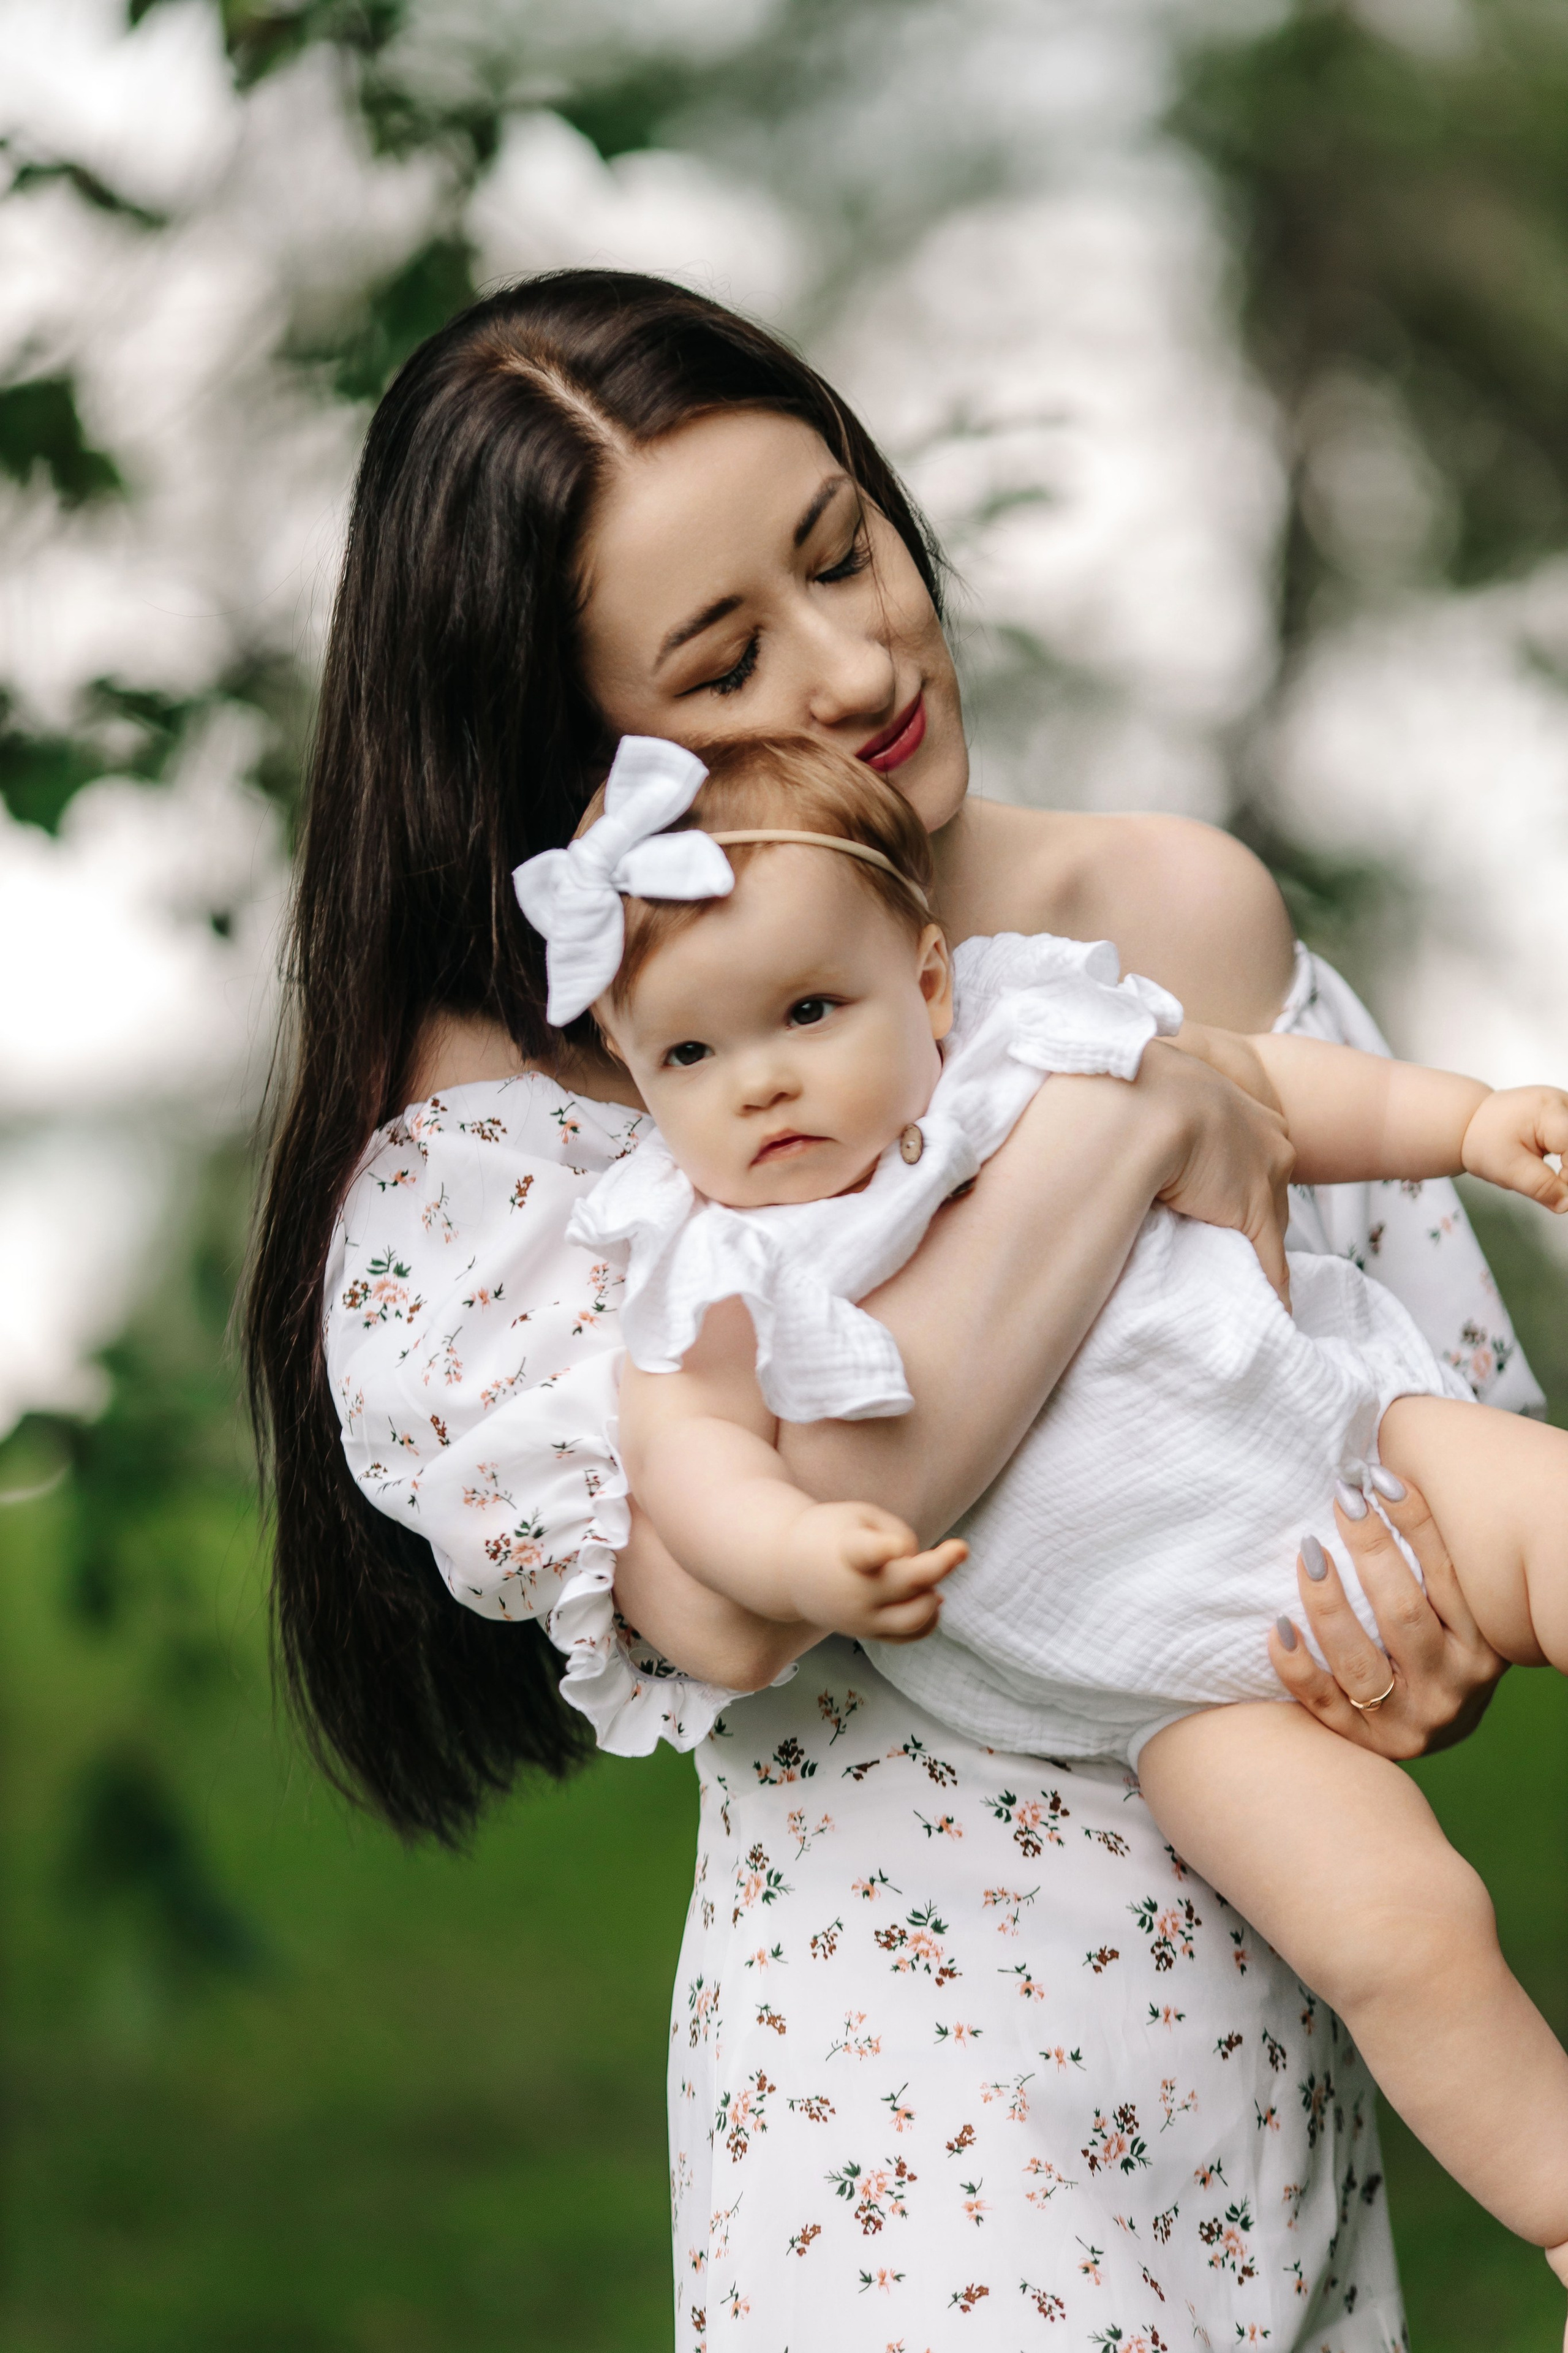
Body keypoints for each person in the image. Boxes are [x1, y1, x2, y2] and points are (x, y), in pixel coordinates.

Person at [251, 270, 1537, 2348]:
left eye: (842, 546)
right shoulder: (566, 1094)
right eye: (728, 657)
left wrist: (1415, 1660)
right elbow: (750, 1594)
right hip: (907, 2134)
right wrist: (1113, 1125)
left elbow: (1432, 1453)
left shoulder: (1174, 910)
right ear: (586, 757)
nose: (858, 663)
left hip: (1296, 2048)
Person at [531, 724, 1568, 2289]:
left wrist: (1460, 1120)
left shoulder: (1028, 1040)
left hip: (1353, 1445)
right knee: (1397, 1931)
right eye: (690, 1055)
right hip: (1172, 1698)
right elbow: (690, 1466)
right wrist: (801, 1545)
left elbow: (1267, 1090)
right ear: (632, 1066)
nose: (761, 1083)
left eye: (808, 1011)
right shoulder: (704, 1269)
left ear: (929, 982)